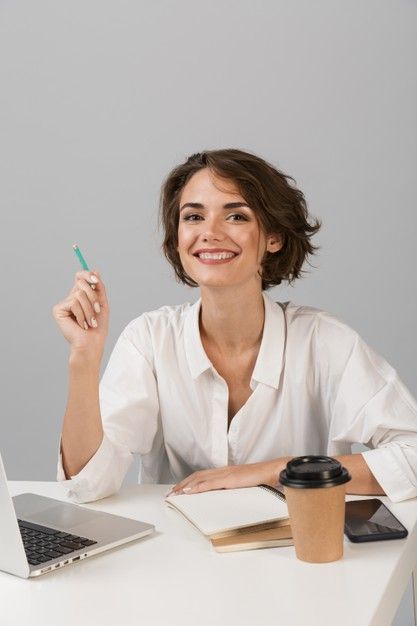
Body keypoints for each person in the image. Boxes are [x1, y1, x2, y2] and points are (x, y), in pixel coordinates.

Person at [52, 148, 417, 504]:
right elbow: (87, 484)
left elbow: (413, 456)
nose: (209, 232)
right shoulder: (149, 340)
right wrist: (83, 358)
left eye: (236, 217)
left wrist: (271, 471)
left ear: (273, 237)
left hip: (300, 556)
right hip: (178, 557)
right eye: (193, 217)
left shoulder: (325, 342)